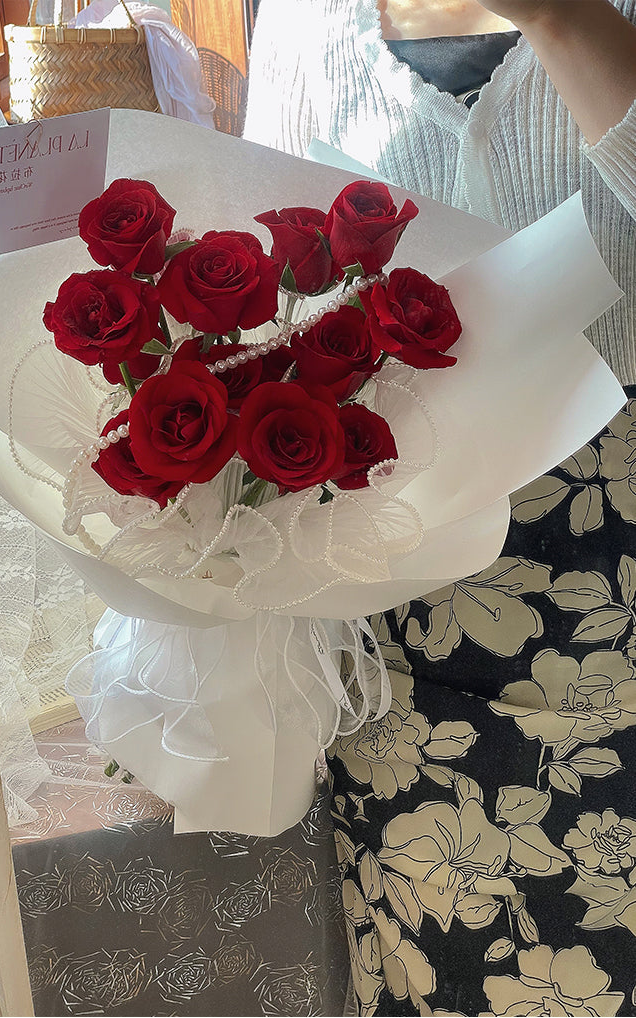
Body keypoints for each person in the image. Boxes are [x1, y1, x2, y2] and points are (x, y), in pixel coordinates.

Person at [243, 2, 636, 1015]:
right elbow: (266, 303)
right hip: (397, 607)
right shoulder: (298, 22)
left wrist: (565, 20)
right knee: (445, 960)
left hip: (618, 566)